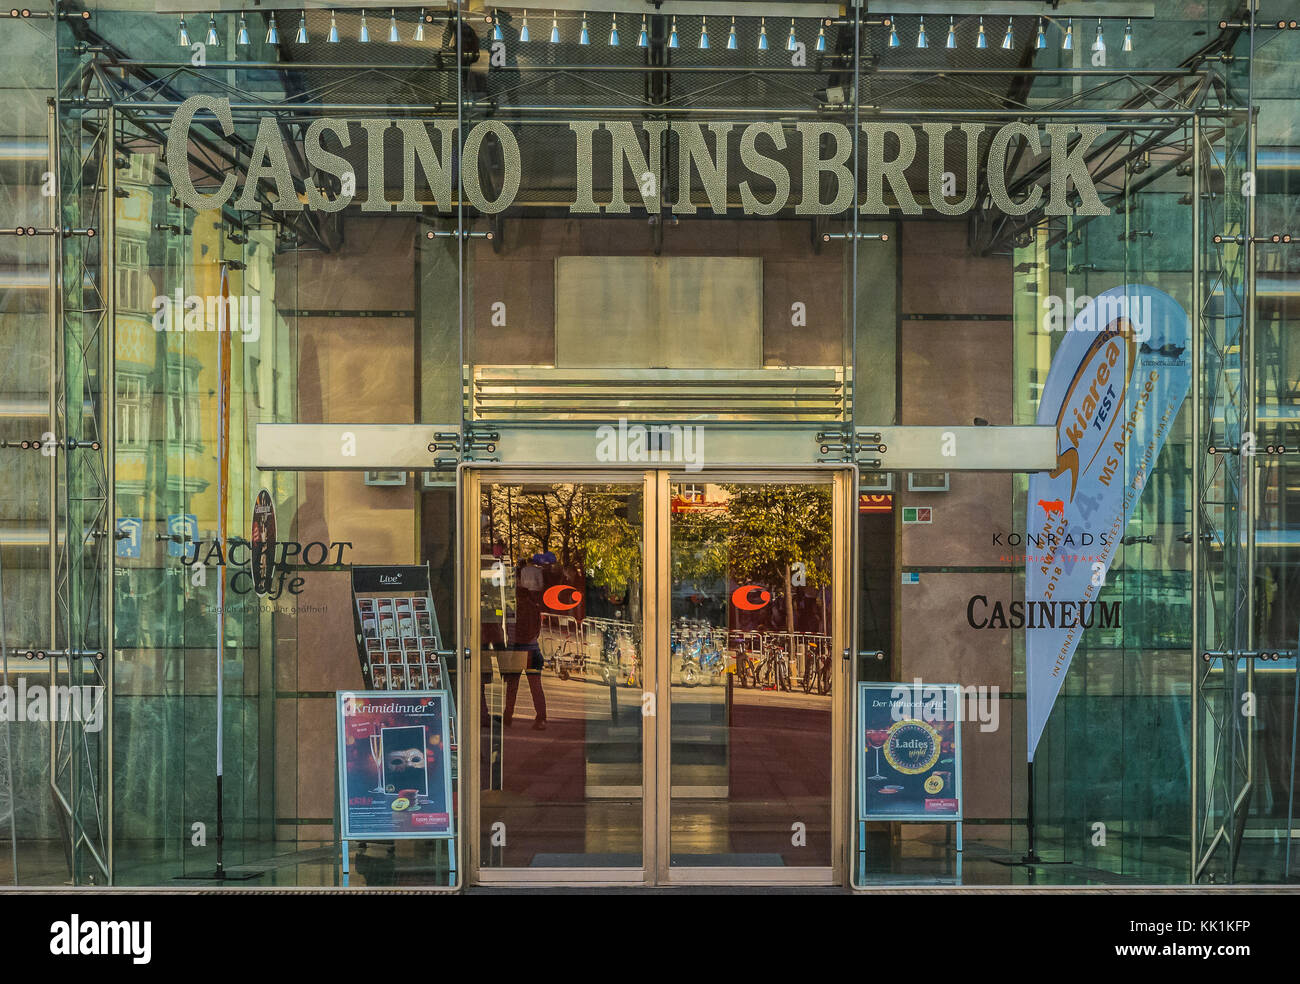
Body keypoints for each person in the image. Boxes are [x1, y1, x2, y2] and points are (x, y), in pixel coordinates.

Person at [503, 554, 548, 729]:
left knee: (512, 687)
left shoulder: (511, 609)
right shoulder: (535, 608)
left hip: (517, 650)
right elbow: (537, 630)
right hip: (533, 649)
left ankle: (508, 716)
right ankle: (541, 717)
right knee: (536, 686)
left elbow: (508, 630)